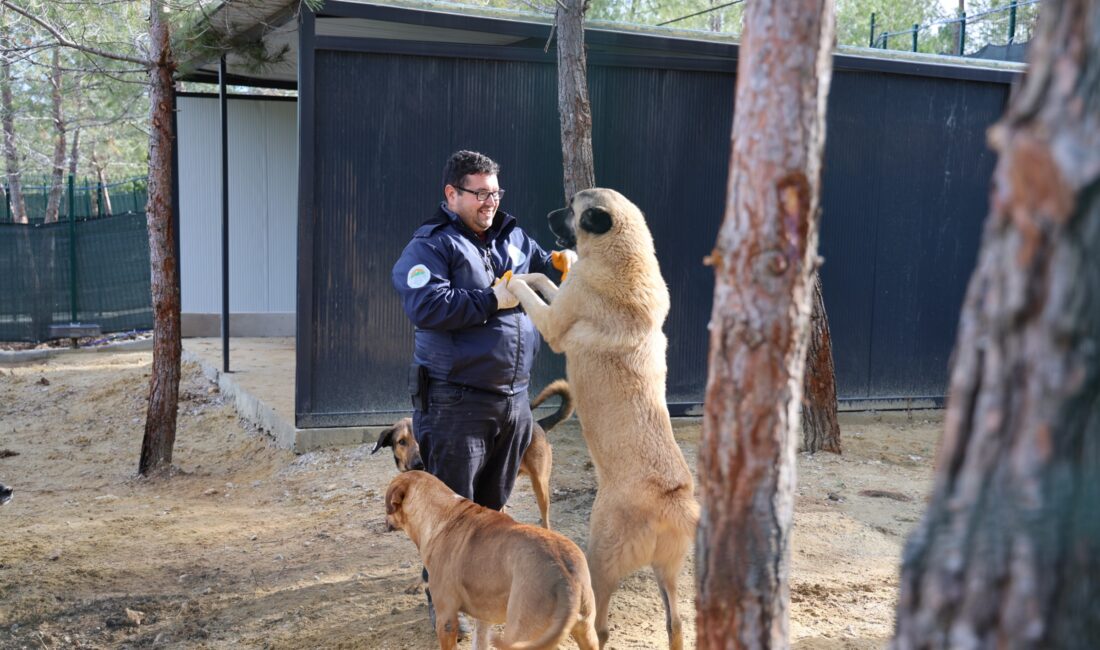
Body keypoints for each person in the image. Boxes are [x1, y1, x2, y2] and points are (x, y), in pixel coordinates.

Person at [391, 150, 569, 631]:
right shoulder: (431, 246)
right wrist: (492, 298)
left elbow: (538, 264)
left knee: (491, 515)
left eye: (495, 192)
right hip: (456, 404)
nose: (490, 201)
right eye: (479, 193)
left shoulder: (511, 234)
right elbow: (427, 304)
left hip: (512, 402)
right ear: (452, 194)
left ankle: (485, 608)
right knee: (451, 521)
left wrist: (560, 262)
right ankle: (447, 617)